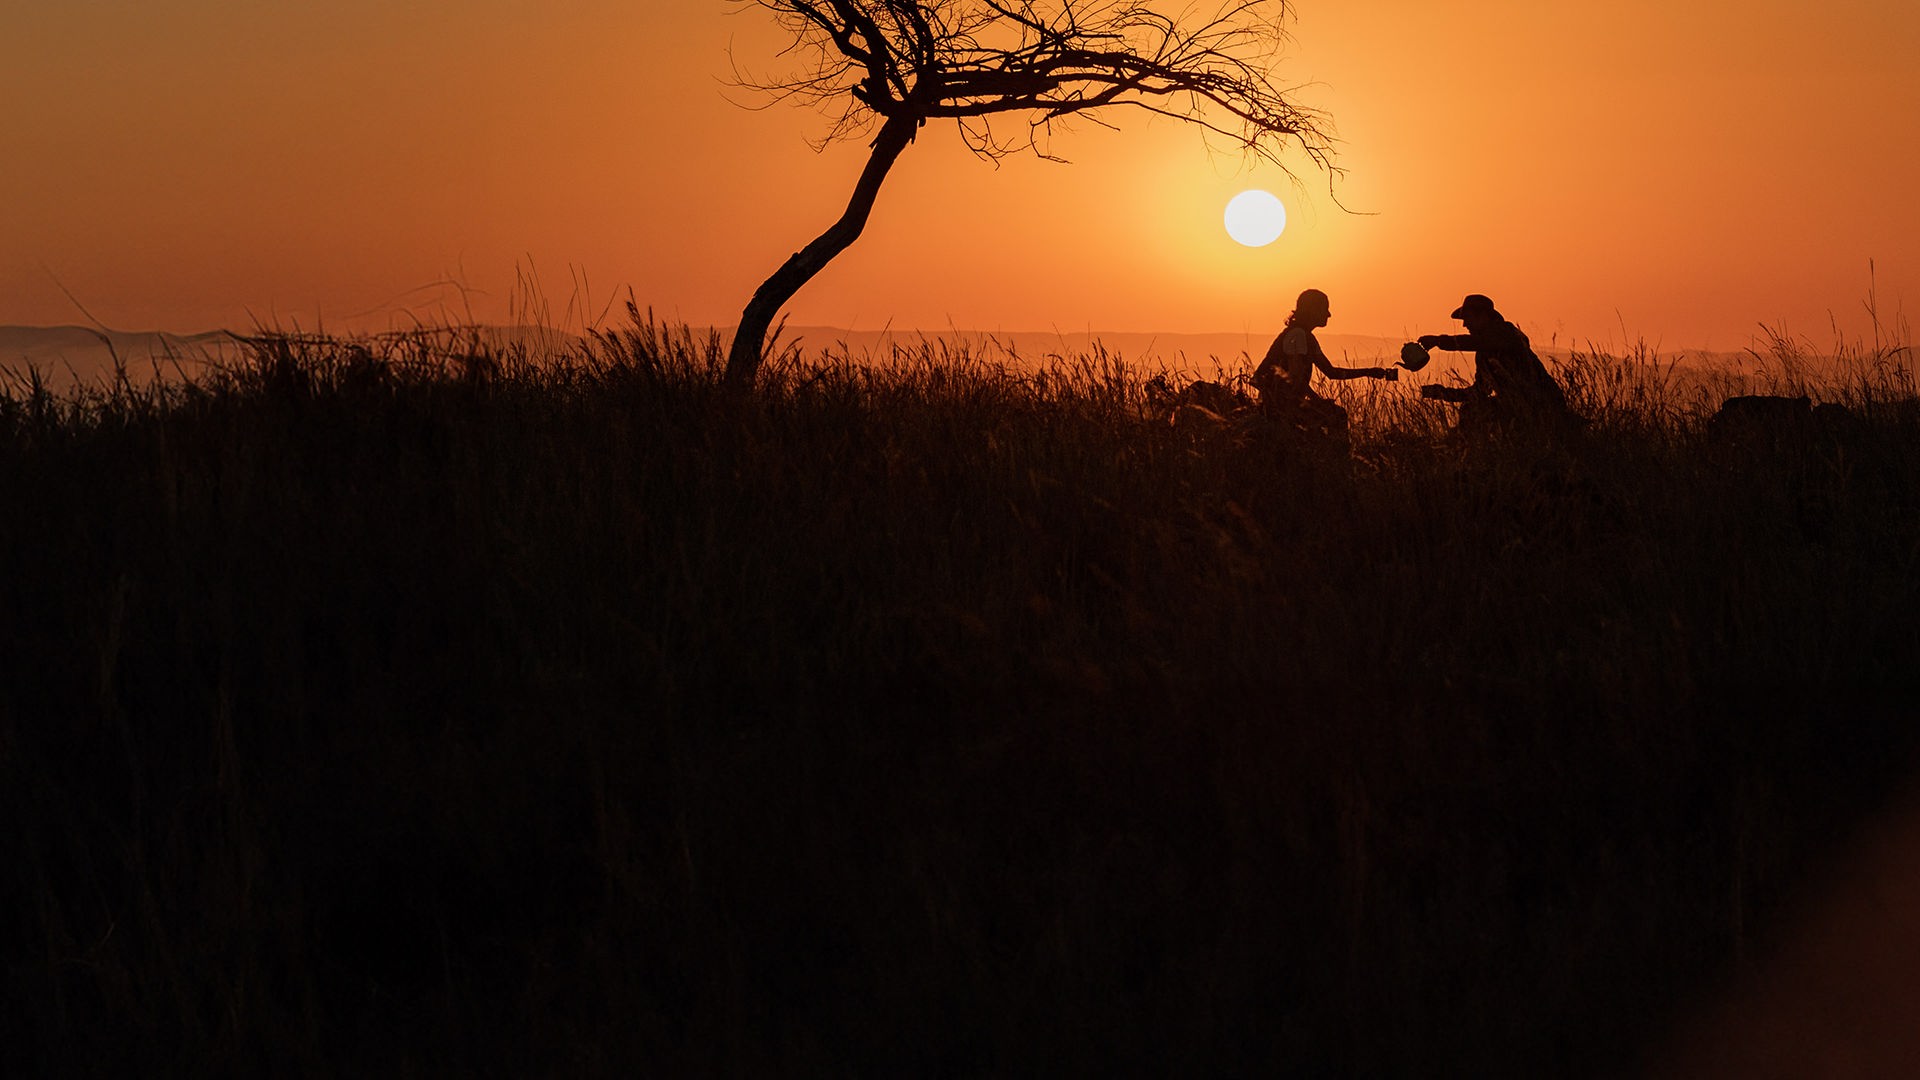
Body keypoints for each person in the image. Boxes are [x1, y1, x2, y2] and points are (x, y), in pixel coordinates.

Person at [1413, 294, 1572, 438]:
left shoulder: (1505, 333)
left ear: (1483, 316)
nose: (1465, 325)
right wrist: (1441, 392)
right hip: (1518, 406)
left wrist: (1437, 341)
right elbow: (1479, 392)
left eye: (1468, 318)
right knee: (1472, 409)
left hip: (1541, 406)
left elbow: (1475, 342)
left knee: (1473, 411)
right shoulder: (1484, 352)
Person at [1253, 288, 1397, 441]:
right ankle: (1340, 457)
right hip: (1280, 407)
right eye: (1324, 309)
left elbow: (1331, 372)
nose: (1329, 314)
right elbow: (1295, 379)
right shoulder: (1298, 335)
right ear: (1312, 310)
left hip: (1286, 404)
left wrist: (1369, 372)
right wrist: (1317, 401)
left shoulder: (1307, 337)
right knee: (1337, 415)